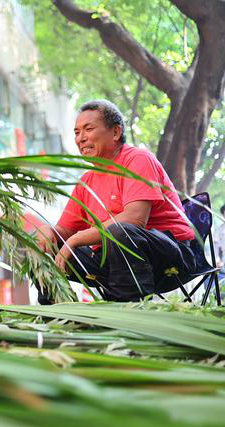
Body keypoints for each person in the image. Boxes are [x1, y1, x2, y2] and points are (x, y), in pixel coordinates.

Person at [35, 99, 197, 302]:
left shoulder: (138, 159)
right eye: (77, 132)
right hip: (111, 259)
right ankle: (55, 317)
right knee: (41, 244)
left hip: (171, 256)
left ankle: (127, 316)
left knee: (120, 231)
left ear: (115, 132)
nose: (81, 139)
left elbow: (134, 220)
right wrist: (47, 231)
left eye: (89, 129)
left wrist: (76, 239)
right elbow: (65, 230)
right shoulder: (86, 181)